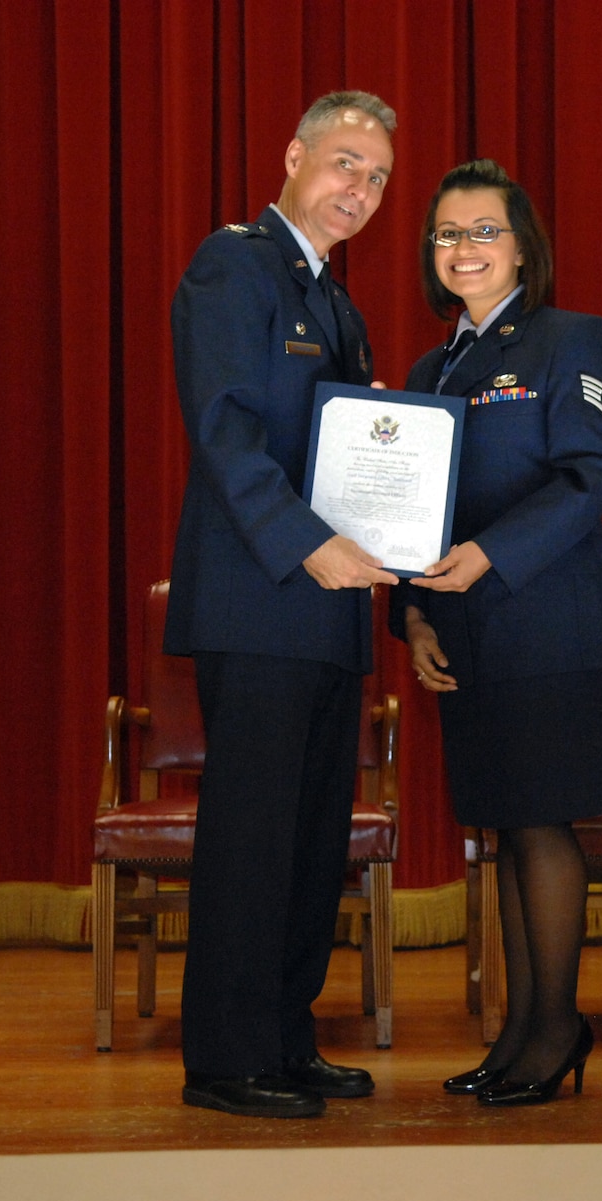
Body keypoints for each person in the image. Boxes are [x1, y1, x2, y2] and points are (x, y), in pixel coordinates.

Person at [164, 91, 400, 1119]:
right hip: (263, 598)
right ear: (295, 153)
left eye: (378, 177)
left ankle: (284, 1036)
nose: (360, 189)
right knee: (252, 836)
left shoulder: (333, 302)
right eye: (346, 163)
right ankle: (224, 1054)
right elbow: (223, 433)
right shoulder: (233, 266)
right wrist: (313, 543)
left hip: (327, 610)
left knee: (309, 843)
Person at [395, 159, 602, 1106]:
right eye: (447, 234)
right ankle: (520, 1034)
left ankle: (556, 1031)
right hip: (464, 634)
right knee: (503, 826)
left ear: (524, 247)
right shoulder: (426, 369)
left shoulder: (573, 340)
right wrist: (411, 615)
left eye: (483, 230)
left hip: (549, 625)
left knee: (542, 823)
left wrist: (489, 555)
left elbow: (588, 476)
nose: (464, 249)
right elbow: (409, 513)